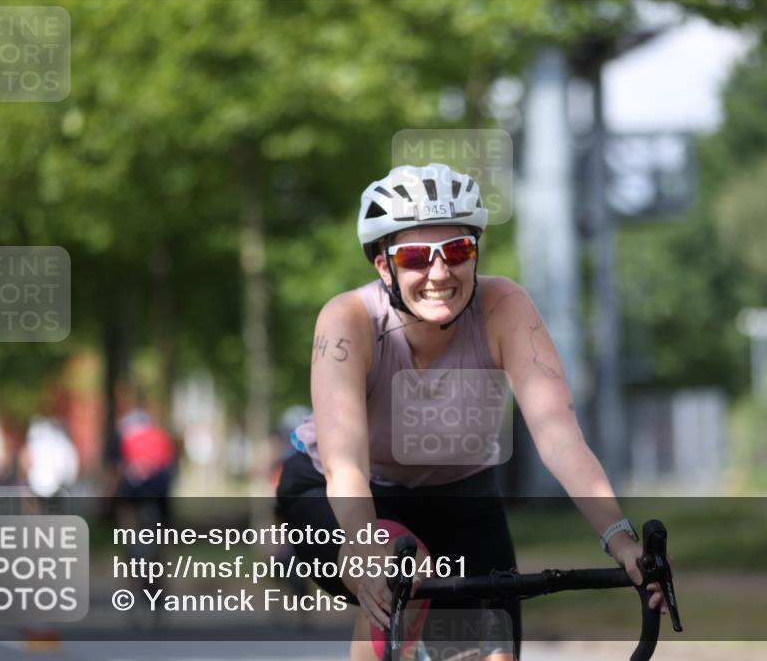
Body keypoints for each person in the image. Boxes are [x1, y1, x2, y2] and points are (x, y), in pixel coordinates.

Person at [276, 163, 666, 661]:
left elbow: (559, 437)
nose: (439, 273)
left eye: (457, 252)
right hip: (341, 495)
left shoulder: (504, 306)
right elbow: (344, 465)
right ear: (383, 266)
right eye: (416, 256)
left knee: (494, 650)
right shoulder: (348, 320)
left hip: (462, 499)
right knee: (396, 564)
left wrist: (620, 538)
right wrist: (363, 544)